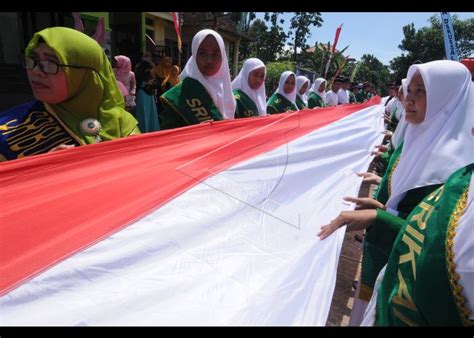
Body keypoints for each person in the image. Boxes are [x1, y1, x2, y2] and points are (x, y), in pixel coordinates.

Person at [318, 60, 474, 325]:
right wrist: (380, 206)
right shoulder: (414, 139)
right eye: (408, 91)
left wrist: (378, 218)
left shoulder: (455, 171)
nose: (408, 100)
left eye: (421, 91)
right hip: (383, 260)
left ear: (446, 98)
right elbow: (403, 205)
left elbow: (432, 241)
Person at [0, 27, 140, 161]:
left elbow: (146, 176)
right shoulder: (8, 129)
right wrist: (37, 171)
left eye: (50, 63)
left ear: (87, 74)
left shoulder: (122, 124)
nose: (35, 71)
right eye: (32, 60)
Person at [159, 29, 236, 130]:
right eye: (202, 53)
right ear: (194, 55)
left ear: (223, 57)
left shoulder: (229, 95)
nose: (209, 60)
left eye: (215, 54)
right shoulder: (180, 94)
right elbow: (168, 137)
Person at [134, 52, 160, 133]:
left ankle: (151, 129)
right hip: (142, 95)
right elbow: (137, 84)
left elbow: (155, 82)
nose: (149, 70)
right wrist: (144, 83)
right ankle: (143, 129)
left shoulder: (148, 73)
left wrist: (151, 83)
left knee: (150, 114)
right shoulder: (138, 73)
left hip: (149, 96)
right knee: (142, 113)